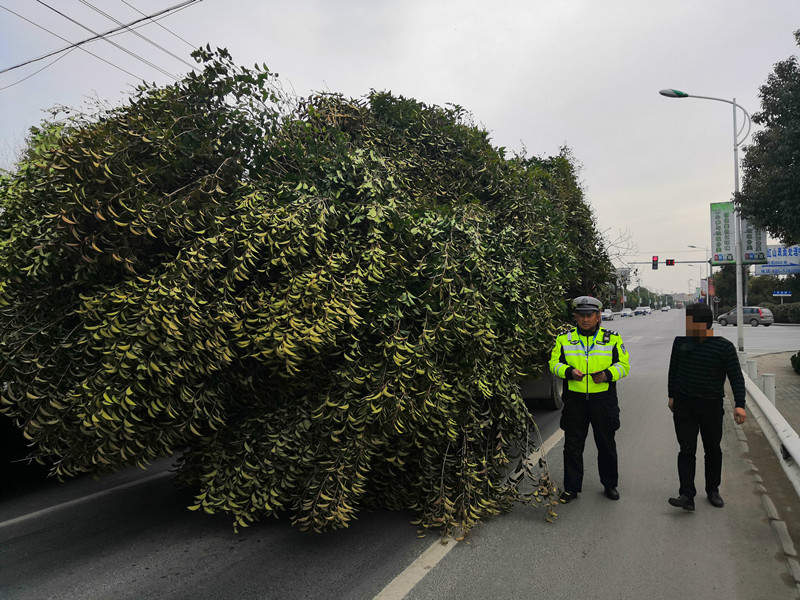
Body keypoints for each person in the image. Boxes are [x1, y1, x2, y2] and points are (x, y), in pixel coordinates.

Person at [549, 296, 630, 503]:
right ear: (575, 317)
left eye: (590, 315)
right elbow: (553, 364)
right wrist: (568, 372)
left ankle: (610, 485)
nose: (586, 320)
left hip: (603, 400)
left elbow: (624, 366)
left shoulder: (613, 339)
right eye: (581, 315)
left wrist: (607, 375)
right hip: (575, 401)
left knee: (606, 445)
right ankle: (571, 488)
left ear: (598, 316)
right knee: (573, 446)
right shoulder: (564, 339)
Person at [667, 303, 746, 511]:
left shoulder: (724, 347)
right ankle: (686, 494)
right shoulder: (681, 343)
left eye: (691, 322)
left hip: (711, 406)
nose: (688, 327)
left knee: (712, 450)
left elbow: (736, 378)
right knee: (686, 450)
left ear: (705, 324)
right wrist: (671, 395)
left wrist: (740, 405)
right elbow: (673, 370)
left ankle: (713, 490)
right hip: (684, 405)